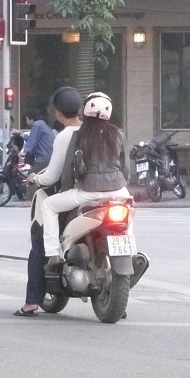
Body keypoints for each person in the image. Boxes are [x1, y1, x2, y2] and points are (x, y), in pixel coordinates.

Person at [35, 90, 130, 270]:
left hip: (87, 191)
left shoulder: (78, 135)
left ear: (85, 110)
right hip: (118, 190)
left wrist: (66, 189)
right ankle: (129, 251)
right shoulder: (118, 134)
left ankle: (53, 254)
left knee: (48, 205)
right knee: (128, 214)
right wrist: (121, 186)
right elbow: (126, 169)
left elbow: (68, 171)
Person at [14, 86, 84, 317]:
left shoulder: (64, 136)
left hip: (74, 196)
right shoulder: (97, 131)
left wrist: (35, 177)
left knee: (38, 241)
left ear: (58, 111)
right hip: (110, 194)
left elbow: (52, 176)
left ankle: (32, 300)